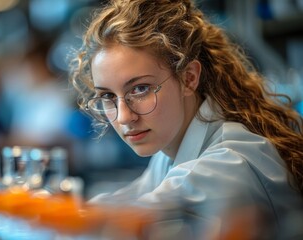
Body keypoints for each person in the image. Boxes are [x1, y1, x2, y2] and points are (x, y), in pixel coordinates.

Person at [69, 0, 303, 238]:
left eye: (140, 89)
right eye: (108, 96)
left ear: (189, 78)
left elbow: (125, 224)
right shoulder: (172, 147)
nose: (124, 117)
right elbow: (125, 201)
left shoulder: (228, 164)